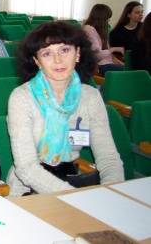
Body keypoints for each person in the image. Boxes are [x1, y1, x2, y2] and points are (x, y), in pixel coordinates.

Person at [7, 21, 125, 197]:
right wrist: (73, 197)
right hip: (29, 189)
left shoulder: (90, 96)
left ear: (77, 53)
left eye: (64, 50)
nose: (57, 60)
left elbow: (108, 157)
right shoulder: (22, 97)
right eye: (47, 53)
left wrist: (111, 192)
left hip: (73, 180)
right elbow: (26, 168)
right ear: (37, 61)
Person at [82, 4, 124, 76]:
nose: (108, 22)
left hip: (106, 63)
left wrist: (122, 64)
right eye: (107, 19)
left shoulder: (100, 30)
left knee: (129, 70)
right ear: (101, 19)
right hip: (97, 65)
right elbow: (98, 55)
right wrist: (114, 49)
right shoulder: (88, 29)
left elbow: (109, 55)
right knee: (126, 74)